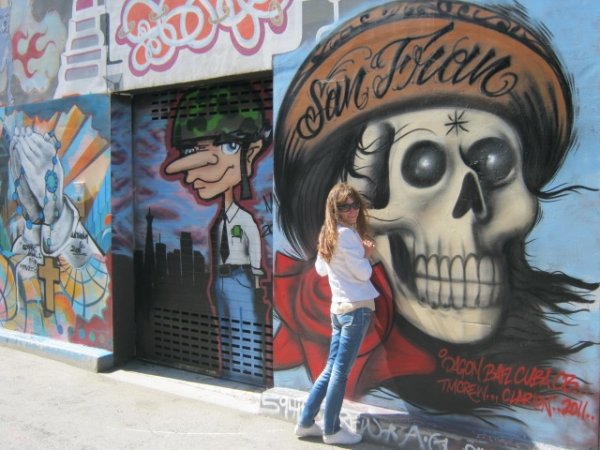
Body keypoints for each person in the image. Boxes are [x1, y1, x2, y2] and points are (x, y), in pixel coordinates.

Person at [294, 182, 378, 446]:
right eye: (345, 207)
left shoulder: (328, 233)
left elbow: (320, 269)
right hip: (355, 309)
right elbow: (363, 273)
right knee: (340, 373)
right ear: (335, 209)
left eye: (355, 205)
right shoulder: (348, 236)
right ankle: (331, 429)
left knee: (332, 369)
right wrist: (366, 254)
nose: (352, 211)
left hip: (339, 309)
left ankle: (306, 422)